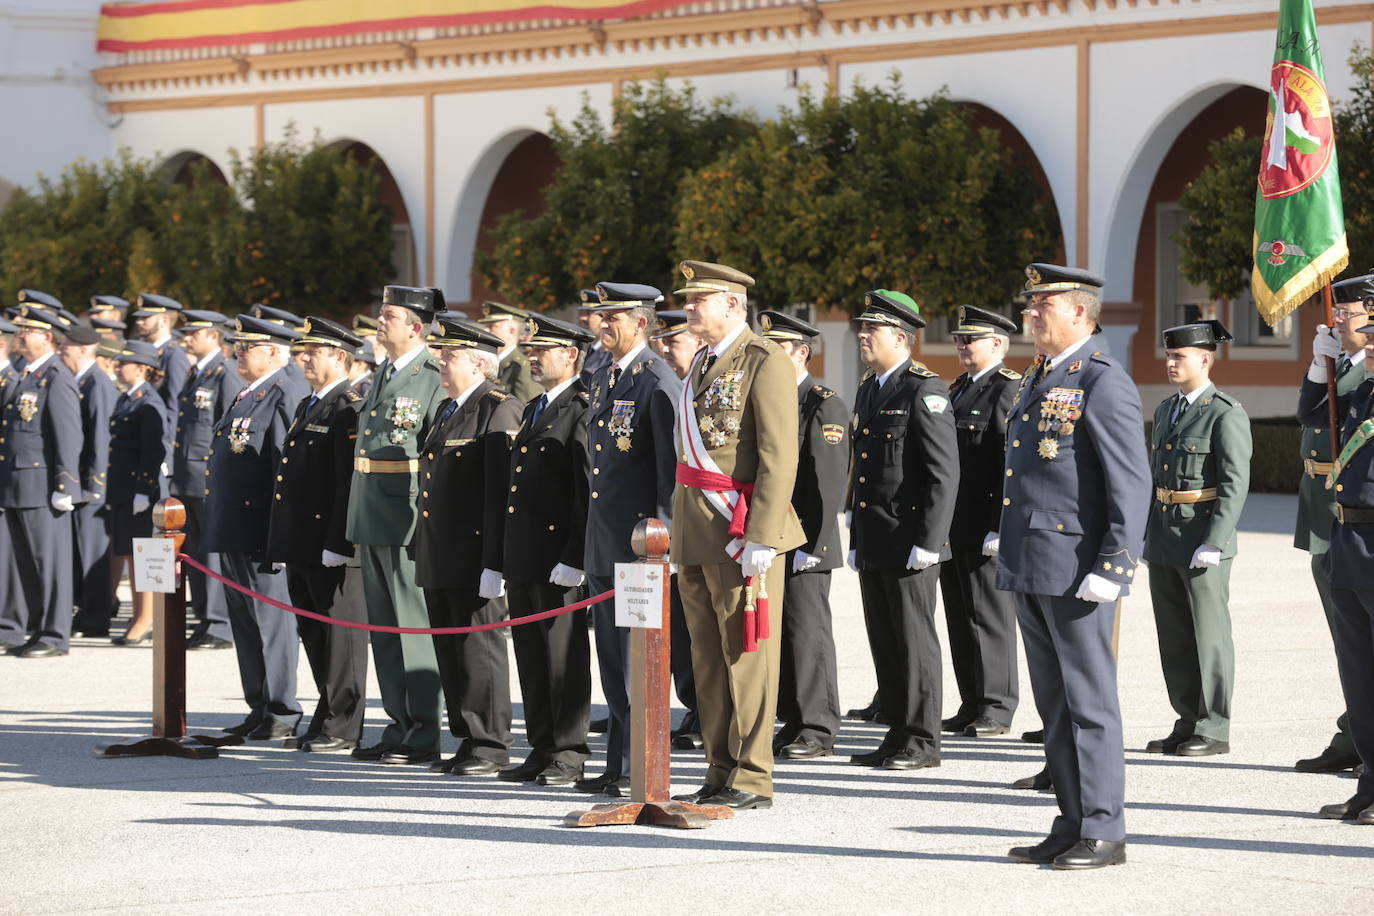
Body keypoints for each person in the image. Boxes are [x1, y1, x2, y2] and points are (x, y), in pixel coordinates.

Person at [998, 263, 1150, 869]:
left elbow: (1130, 483)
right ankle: (1071, 820)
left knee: (1089, 703)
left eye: (1044, 305)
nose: (1031, 314)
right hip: (1033, 563)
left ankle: (1105, 829)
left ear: (1080, 314)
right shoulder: (1041, 375)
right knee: (1054, 705)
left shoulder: (1102, 380)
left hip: (1077, 566)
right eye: (1030, 305)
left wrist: (1115, 564)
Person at [669, 260, 804, 811]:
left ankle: (753, 774)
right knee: (706, 658)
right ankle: (719, 766)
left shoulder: (763, 359)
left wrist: (762, 537)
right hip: (697, 530)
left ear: (730, 303)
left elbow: (778, 455)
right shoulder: (702, 361)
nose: (689, 308)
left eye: (698, 299)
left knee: (747, 655)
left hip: (741, 530)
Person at [845, 290, 959, 772]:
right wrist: (854, 528)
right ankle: (896, 731)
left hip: (911, 539)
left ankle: (922, 739)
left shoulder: (924, 389)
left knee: (914, 642)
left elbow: (943, 473)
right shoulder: (870, 388)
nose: (862, 336)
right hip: (876, 536)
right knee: (885, 639)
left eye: (872, 330)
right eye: (862, 328)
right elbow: (863, 467)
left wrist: (930, 542)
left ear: (900, 336)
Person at [578, 280, 680, 797]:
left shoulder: (656, 381)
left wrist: (662, 544)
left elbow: (669, 474)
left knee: (638, 667)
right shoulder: (604, 375)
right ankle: (618, 763)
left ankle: (639, 766)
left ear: (641, 321)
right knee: (614, 665)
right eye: (601, 315)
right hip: (605, 544)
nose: (602, 324)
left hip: (639, 551)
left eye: (613, 315)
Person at [414, 316, 524, 775]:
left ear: (480, 363)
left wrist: (494, 561)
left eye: (451, 355)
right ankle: (466, 735)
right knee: (450, 647)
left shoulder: (498, 408)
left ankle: (491, 742)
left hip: (475, 553)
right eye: (442, 354)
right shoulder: (447, 409)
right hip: (441, 551)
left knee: (480, 648)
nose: (442, 361)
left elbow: (500, 493)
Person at [345, 285, 446, 765]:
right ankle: (398, 722)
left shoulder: (432, 375)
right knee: (382, 627)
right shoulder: (382, 372)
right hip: (370, 511)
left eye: (389, 316)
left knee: (411, 625)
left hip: (405, 515)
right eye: (380, 314)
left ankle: (424, 729)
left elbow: (432, 451)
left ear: (416, 327)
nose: (379, 322)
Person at [1143, 320, 1251, 757]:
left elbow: (1234, 483)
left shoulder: (1226, 412)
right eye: (1169, 356)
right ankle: (1186, 718)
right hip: (1166, 536)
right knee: (1174, 635)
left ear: (1205, 359)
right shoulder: (1168, 409)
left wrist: (1216, 541)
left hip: (1202, 538)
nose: (1171, 363)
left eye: (1179, 356)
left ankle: (1214, 726)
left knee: (1208, 634)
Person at [266, 317, 370, 753]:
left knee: (340, 638)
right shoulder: (310, 403)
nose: (303, 358)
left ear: (340, 357)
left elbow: (347, 482)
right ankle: (326, 714)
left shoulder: (348, 405)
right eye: (301, 352)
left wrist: (339, 543)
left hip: (329, 545)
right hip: (303, 544)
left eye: (314, 352)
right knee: (313, 632)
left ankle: (343, 723)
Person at [500, 313, 595, 787]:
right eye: (530, 351)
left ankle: (570, 751)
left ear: (571, 355)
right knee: (532, 657)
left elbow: (584, 490)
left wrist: (575, 556)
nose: (532, 358)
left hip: (559, 558)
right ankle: (541, 745)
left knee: (563, 658)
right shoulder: (536, 406)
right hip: (525, 555)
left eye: (542, 351)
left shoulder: (581, 407)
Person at [205, 315, 309, 740]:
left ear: (273, 351)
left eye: (246, 347)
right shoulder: (247, 394)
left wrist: (282, 536)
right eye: (237, 346)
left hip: (262, 531)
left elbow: (287, 471)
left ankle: (282, 711)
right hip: (234, 527)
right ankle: (259, 705)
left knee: (272, 623)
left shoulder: (284, 392)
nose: (237, 353)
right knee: (246, 625)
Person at [1297, 280, 1374, 824]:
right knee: (1359, 672)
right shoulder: (1365, 390)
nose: (1365, 343)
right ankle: (1369, 782)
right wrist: (1316, 367)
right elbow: (1311, 414)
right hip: (1348, 538)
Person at [755, 310, 846, 760]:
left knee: (808, 634)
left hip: (808, 540)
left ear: (801, 352)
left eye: (778, 349)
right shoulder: (771, 397)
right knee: (784, 634)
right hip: (774, 536)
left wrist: (815, 544)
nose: (769, 356)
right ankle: (794, 718)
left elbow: (827, 484)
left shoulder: (821, 401)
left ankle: (818, 725)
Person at [938, 305, 1022, 738]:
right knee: (959, 613)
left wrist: (998, 524)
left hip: (984, 523)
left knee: (989, 616)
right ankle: (971, 700)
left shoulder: (1006, 390)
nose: (962, 346)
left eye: (971, 339)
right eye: (959, 339)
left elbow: (1008, 464)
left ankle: (997, 705)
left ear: (998, 345)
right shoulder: (958, 390)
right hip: (953, 525)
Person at [0, 297, 82, 658]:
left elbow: (67, 434)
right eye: (21, 329)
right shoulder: (27, 374)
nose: (21, 335)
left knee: (50, 565)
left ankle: (54, 634)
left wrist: (65, 485)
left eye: (29, 330)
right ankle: (36, 629)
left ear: (48, 338)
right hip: (18, 483)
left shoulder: (55, 377)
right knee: (25, 563)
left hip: (42, 484)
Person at [646, 308, 705, 749]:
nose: (666, 348)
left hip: (692, 529)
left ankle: (705, 711)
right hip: (673, 532)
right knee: (679, 632)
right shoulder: (676, 387)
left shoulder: (688, 391)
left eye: (675, 341)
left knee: (694, 629)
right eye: (662, 341)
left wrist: (667, 531)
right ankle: (694, 708)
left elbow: (674, 473)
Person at [173, 310, 244, 650]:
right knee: (197, 552)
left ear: (214, 337)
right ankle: (205, 617)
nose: (188, 338)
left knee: (212, 552)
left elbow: (228, 429)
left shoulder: (224, 373)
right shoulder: (196, 373)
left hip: (206, 475)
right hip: (187, 477)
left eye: (194, 333)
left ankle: (219, 622)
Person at [104, 341, 170, 646]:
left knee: (144, 557)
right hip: (123, 490)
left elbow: (153, 450)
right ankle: (140, 615)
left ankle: (148, 617)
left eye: (123, 364)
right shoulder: (128, 398)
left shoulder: (148, 402)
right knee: (132, 555)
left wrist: (144, 490)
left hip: (139, 491)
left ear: (142, 367)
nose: (118, 367)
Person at [63, 327, 119, 638]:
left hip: (92, 485)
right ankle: (86, 611)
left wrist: (96, 485)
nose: (61, 350)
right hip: (80, 483)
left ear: (84, 350)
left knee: (93, 553)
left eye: (67, 347)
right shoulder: (81, 380)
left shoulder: (96, 382)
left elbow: (101, 438)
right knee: (80, 553)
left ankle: (97, 617)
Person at [128, 293, 188, 414]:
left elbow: (173, 405)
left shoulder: (173, 356)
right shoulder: (143, 352)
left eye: (145, 318)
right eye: (139, 317)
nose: (139, 322)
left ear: (164, 320)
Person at [477, 300, 541, 403]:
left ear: (512, 331)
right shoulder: (489, 362)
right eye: (486, 326)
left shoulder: (522, 367)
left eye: (492, 326)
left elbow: (524, 411)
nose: (486, 331)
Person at [577, 289, 613, 386]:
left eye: (588, 313)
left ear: (603, 316)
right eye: (582, 313)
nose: (582, 318)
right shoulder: (585, 348)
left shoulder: (611, 353)